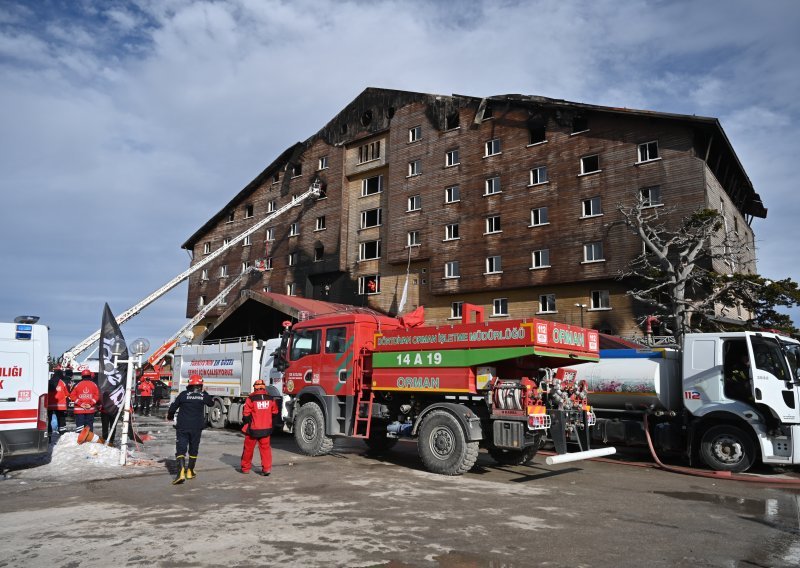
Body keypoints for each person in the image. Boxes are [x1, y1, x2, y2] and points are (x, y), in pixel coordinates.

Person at [167, 374, 214, 485]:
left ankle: (180, 473)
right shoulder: (203, 395)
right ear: (201, 385)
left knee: (181, 449)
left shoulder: (183, 395)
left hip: (183, 426)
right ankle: (190, 471)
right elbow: (211, 403)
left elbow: (173, 407)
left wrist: (170, 416)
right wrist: (205, 392)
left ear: (189, 384)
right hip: (196, 427)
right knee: (194, 448)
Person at [240, 379, 280, 476]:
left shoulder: (251, 398)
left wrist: (248, 422)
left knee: (248, 449)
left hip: (253, 430)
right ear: (264, 387)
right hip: (266, 429)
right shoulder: (270, 398)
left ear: (255, 387)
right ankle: (266, 469)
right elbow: (275, 412)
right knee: (265, 449)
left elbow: (246, 415)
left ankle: (245, 468)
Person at [47, 368, 69, 437]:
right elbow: (67, 394)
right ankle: (62, 433)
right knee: (61, 419)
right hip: (60, 405)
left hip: (49, 405)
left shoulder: (48, 382)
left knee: (49, 420)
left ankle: (49, 433)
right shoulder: (62, 383)